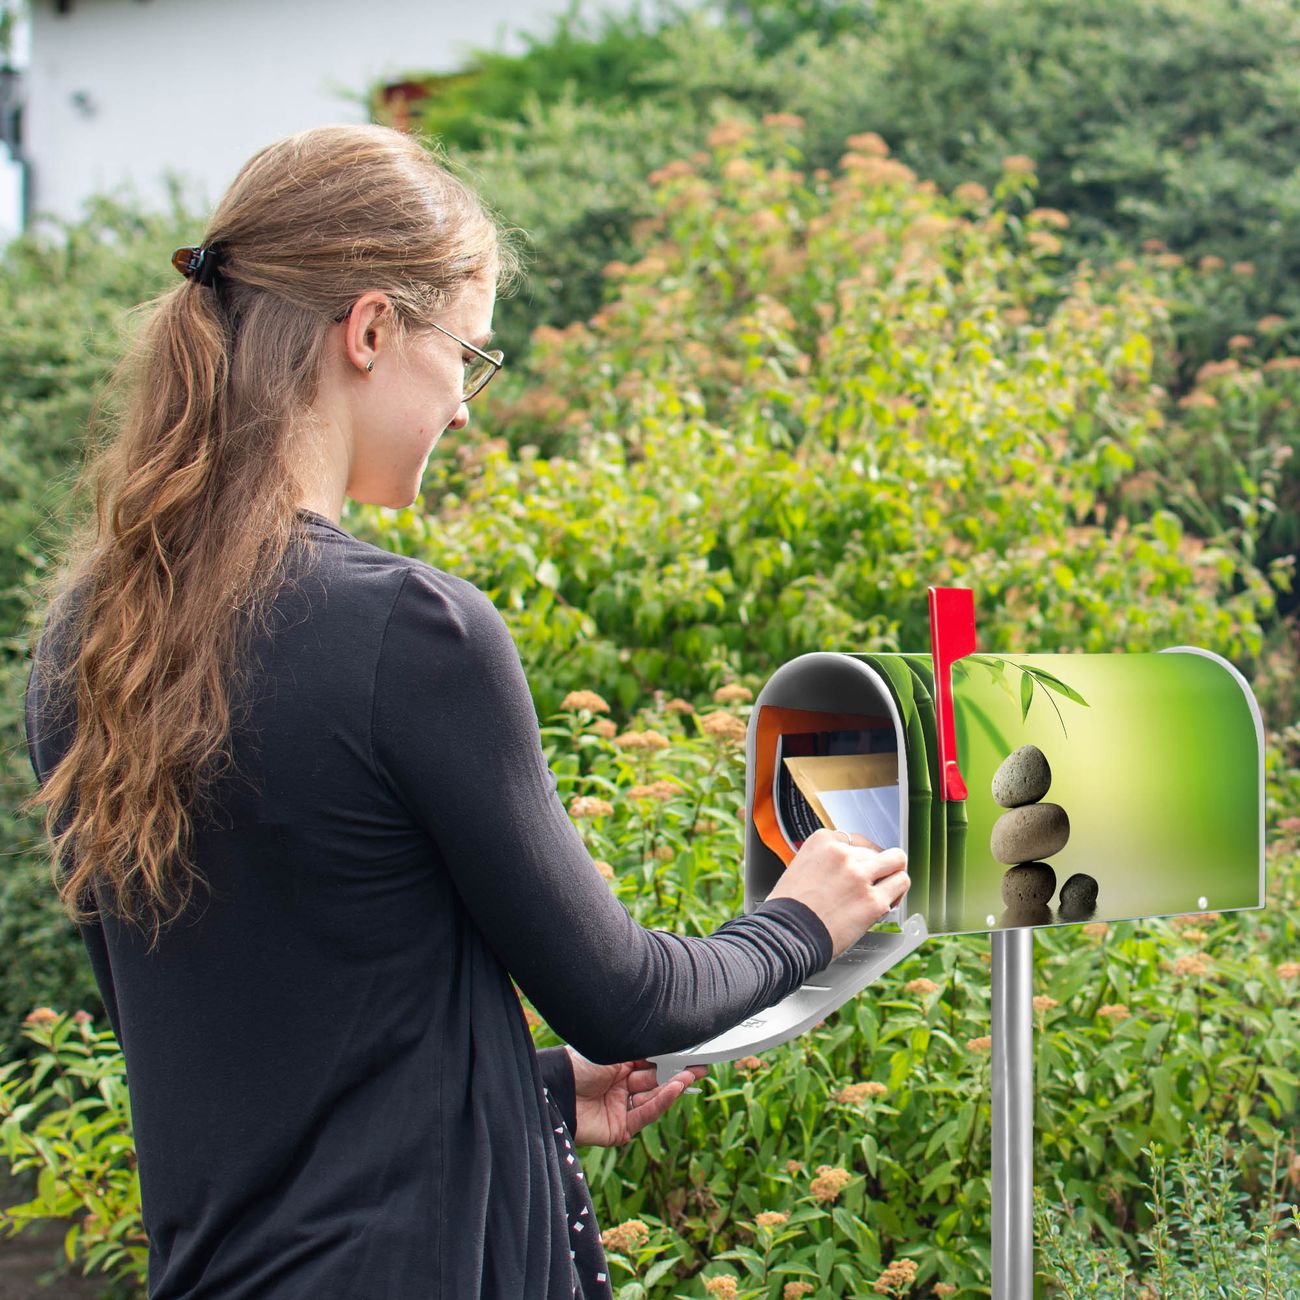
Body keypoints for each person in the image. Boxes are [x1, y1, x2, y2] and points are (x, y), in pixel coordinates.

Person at [21, 124, 910, 1299]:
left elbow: (237, 1045)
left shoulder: (87, 641)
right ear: (370, 329)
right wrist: (802, 918)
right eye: (467, 355)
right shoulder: (405, 630)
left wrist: (526, 1089)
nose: (465, 409)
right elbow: (629, 995)